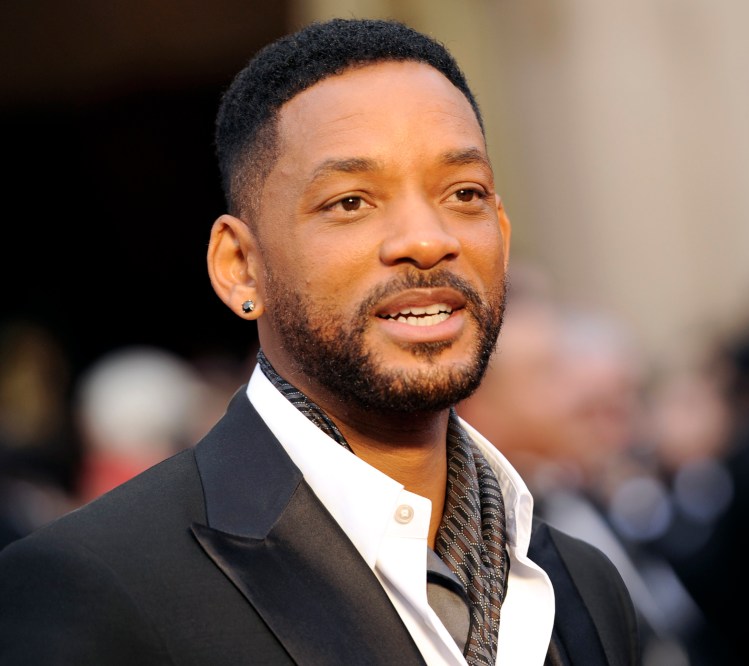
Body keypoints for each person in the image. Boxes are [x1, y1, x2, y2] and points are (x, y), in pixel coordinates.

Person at [0, 18, 640, 666]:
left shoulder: (583, 583)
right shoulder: (95, 585)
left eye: (464, 192)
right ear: (239, 267)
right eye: (351, 202)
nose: (425, 238)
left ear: (500, 234)